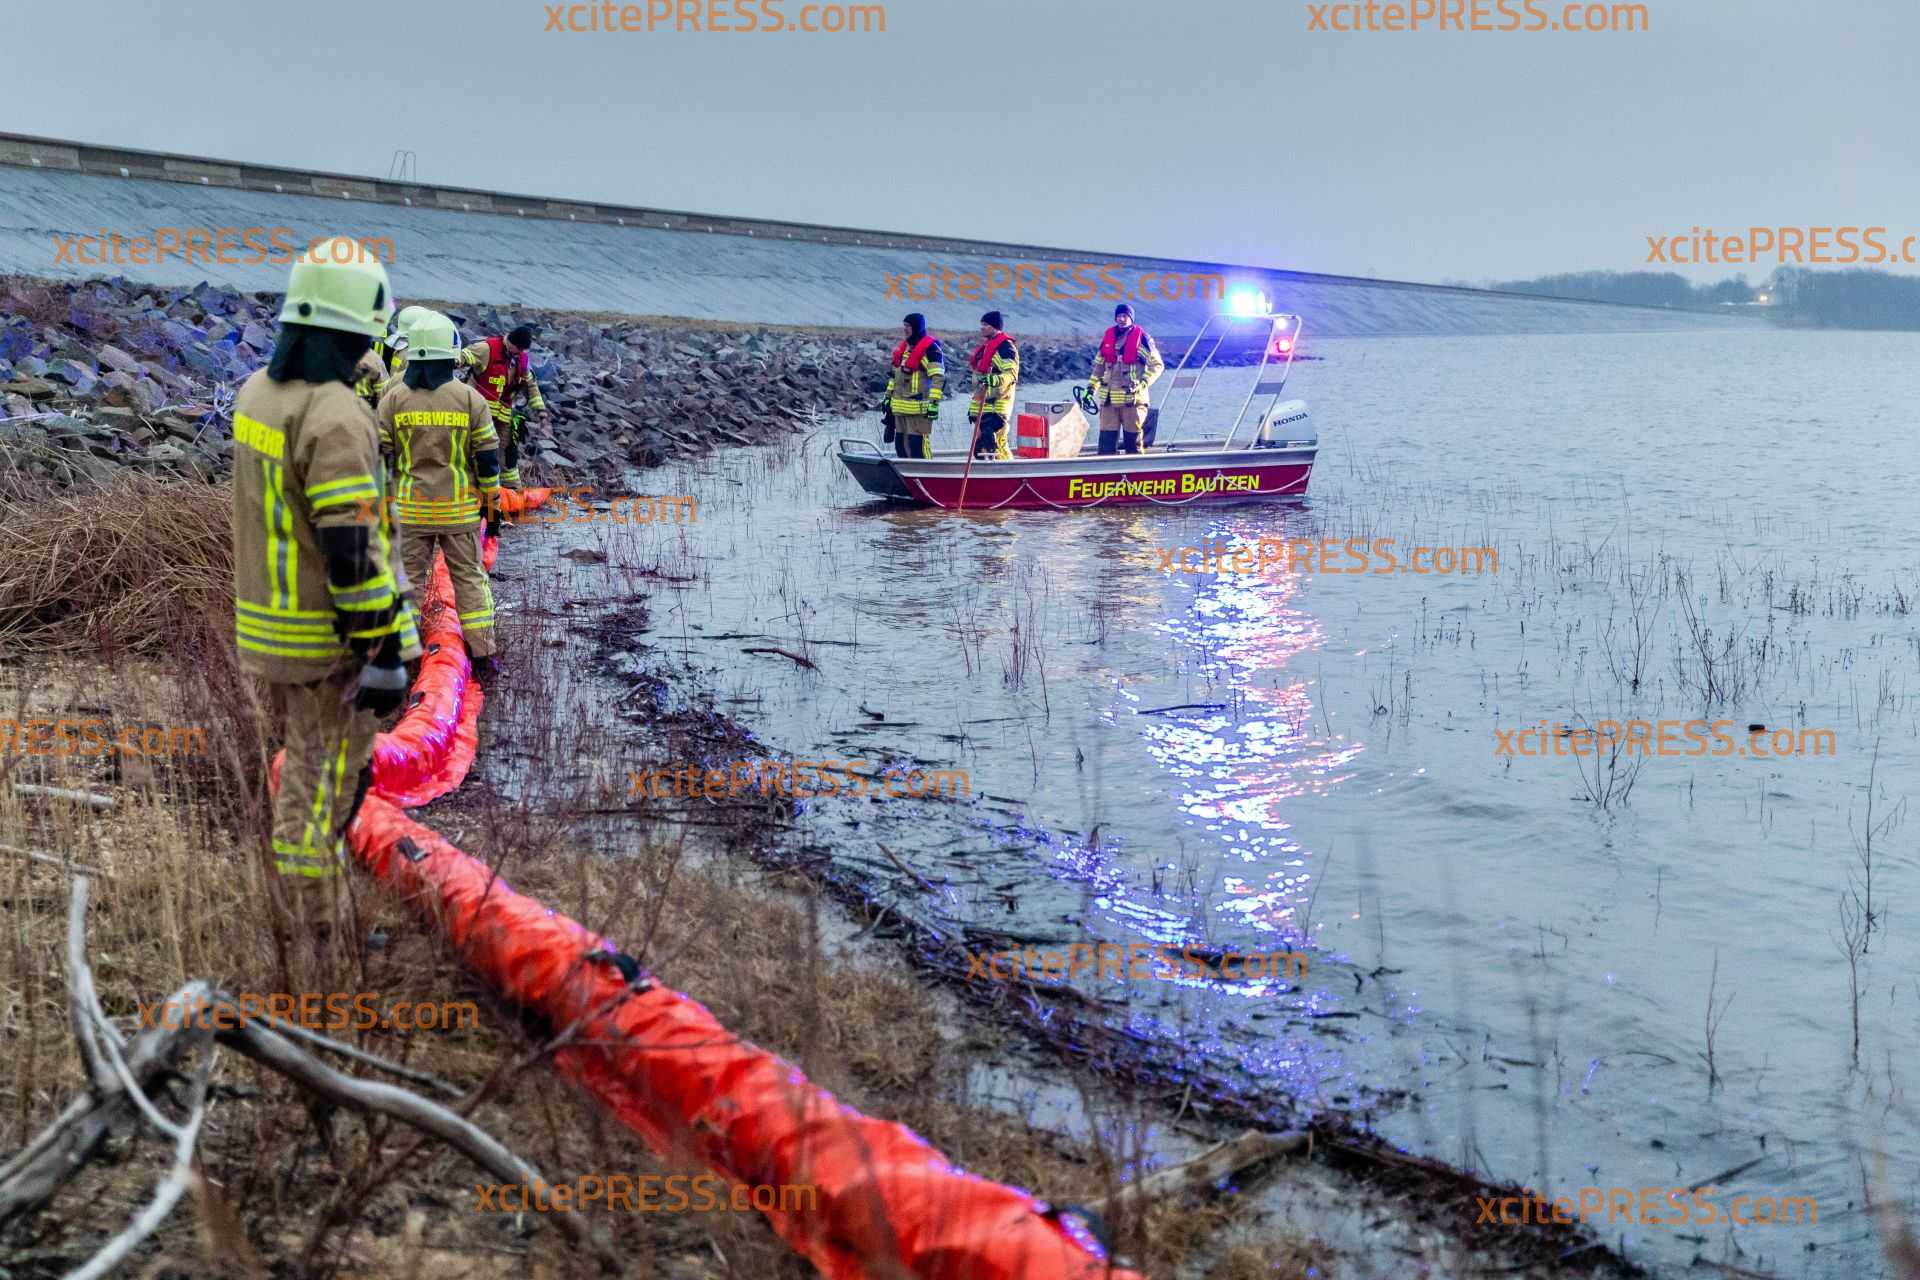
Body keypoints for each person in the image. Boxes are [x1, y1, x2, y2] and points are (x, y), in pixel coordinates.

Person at [230, 237, 420, 930]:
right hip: (326, 641)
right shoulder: (337, 413)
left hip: (270, 628)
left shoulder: (259, 392)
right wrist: (385, 649)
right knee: (326, 784)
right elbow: (352, 547)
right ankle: (317, 928)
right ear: (359, 324)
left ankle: (308, 907)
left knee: (307, 769)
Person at [375, 310, 503, 681]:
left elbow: (379, 459)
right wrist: (492, 514)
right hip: (458, 513)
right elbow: (489, 462)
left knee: (406, 584)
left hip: (410, 512)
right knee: (469, 581)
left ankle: (402, 660)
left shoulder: (394, 398)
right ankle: (484, 658)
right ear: (451, 353)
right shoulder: (469, 399)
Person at [458, 324, 549, 488]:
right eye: (517, 349)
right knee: (476, 449)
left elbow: (531, 386)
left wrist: (541, 411)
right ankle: (470, 485)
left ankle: (512, 487)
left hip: (503, 415)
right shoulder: (487, 349)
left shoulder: (521, 359)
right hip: (476, 414)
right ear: (510, 342)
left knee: (508, 450)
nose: (519, 352)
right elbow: (463, 356)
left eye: (522, 350)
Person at [1088, 302, 1164, 455]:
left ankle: (1136, 475)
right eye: (1119, 316)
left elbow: (1157, 365)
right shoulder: (1108, 338)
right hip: (1109, 402)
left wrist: (1143, 384)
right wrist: (1091, 388)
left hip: (1132, 402)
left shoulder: (1142, 339)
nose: (1122, 319)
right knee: (1106, 446)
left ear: (1131, 318)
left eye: (1125, 316)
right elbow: (1098, 367)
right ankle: (1106, 476)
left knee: (1133, 445)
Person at [886, 313, 943, 459]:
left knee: (918, 447)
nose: (905, 329)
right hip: (899, 408)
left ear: (917, 327)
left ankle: (927, 476)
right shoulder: (905, 348)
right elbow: (895, 376)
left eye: (908, 326)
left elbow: (938, 378)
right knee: (901, 446)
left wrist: (934, 405)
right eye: (904, 326)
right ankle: (907, 479)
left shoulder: (930, 349)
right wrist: (887, 398)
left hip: (918, 410)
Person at [967, 310, 1017, 460]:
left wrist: (994, 380)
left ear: (995, 326)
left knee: (997, 444)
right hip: (981, 405)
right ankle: (986, 478)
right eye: (981, 324)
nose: (981, 327)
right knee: (981, 449)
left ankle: (1009, 474)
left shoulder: (1006, 348)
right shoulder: (986, 347)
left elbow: (1010, 375)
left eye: (985, 324)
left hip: (997, 406)